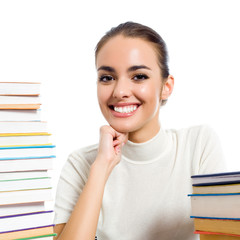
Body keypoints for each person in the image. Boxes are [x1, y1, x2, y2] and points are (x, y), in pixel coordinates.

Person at [53, 22, 226, 240]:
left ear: (166, 87)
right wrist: (101, 169)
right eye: (107, 77)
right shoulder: (80, 165)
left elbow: (223, 234)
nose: (120, 91)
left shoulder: (198, 145)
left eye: (139, 76)